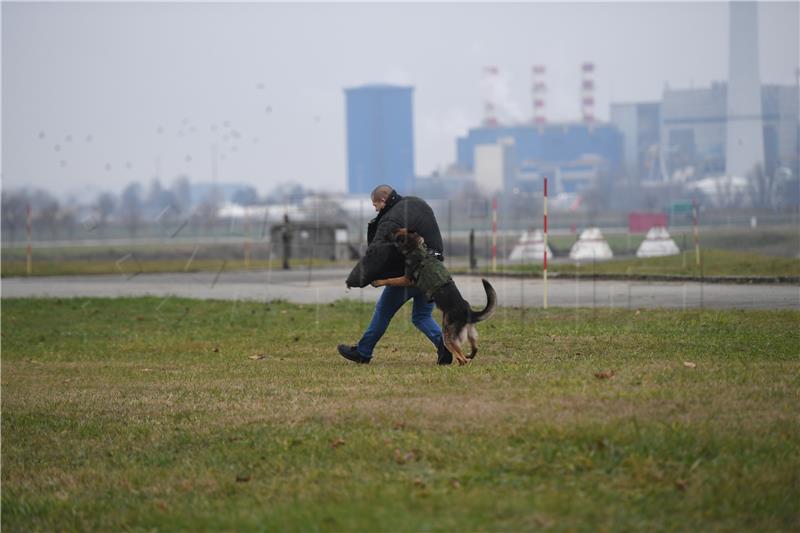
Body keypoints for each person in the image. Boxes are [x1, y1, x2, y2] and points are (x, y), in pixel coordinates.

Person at [338, 185, 453, 365]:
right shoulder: (415, 203)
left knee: (383, 312)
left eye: (375, 205)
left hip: (412, 275)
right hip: (433, 272)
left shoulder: (391, 219)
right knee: (421, 316)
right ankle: (446, 347)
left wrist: (357, 278)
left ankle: (363, 352)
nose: (375, 209)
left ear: (383, 200)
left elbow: (377, 253)